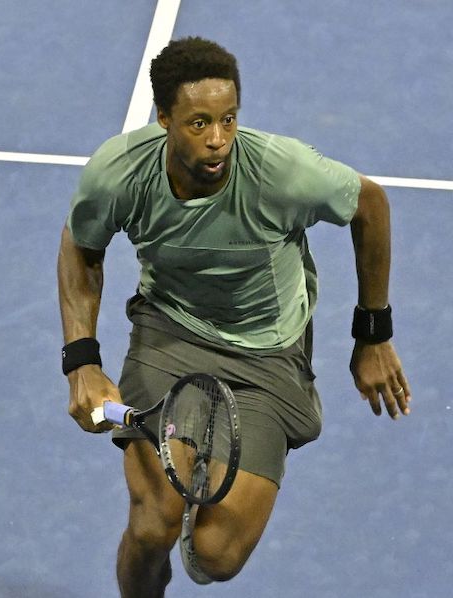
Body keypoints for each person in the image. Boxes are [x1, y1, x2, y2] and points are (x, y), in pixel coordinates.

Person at [57, 36, 411, 597]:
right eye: (198, 123)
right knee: (152, 527)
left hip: (267, 353)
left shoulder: (282, 172)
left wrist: (373, 334)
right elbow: (81, 246)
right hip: (169, 333)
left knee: (217, 556)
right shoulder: (119, 174)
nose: (219, 139)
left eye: (228, 119)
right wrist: (82, 361)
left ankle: (203, 465)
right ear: (164, 119)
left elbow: (370, 204)